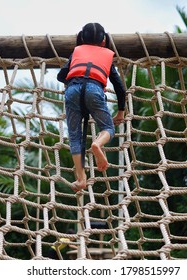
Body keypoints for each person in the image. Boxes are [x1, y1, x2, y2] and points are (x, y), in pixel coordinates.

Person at [57, 22, 126, 191]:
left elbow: (61, 76)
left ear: (82, 38)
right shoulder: (107, 55)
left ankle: (81, 179)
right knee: (108, 128)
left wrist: (74, 81)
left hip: (72, 89)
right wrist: (121, 112)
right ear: (104, 40)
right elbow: (119, 86)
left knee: (74, 136)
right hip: (94, 89)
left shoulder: (77, 52)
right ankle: (97, 144)